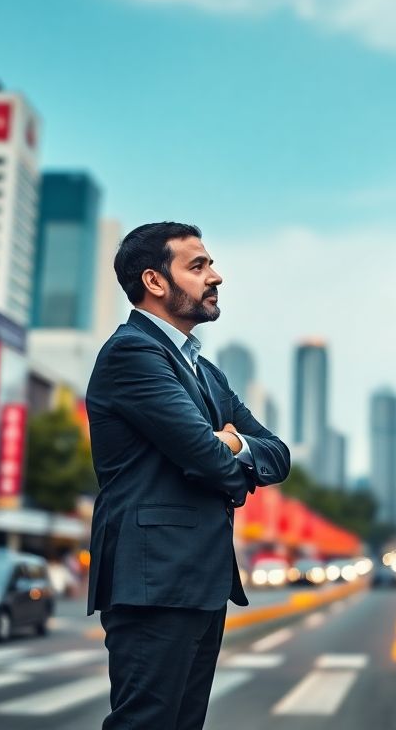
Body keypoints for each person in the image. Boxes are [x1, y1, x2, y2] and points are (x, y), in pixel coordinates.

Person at [87, 222, 290, 730]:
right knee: (147, 723)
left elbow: (280, 455)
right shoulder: (132, 353)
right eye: (197, 266)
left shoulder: (205, 371)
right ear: (155, 281)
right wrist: (230, 457)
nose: (215, 276)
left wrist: (236, 443)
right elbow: (209, 459)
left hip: (198, 578)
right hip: (152, 579)